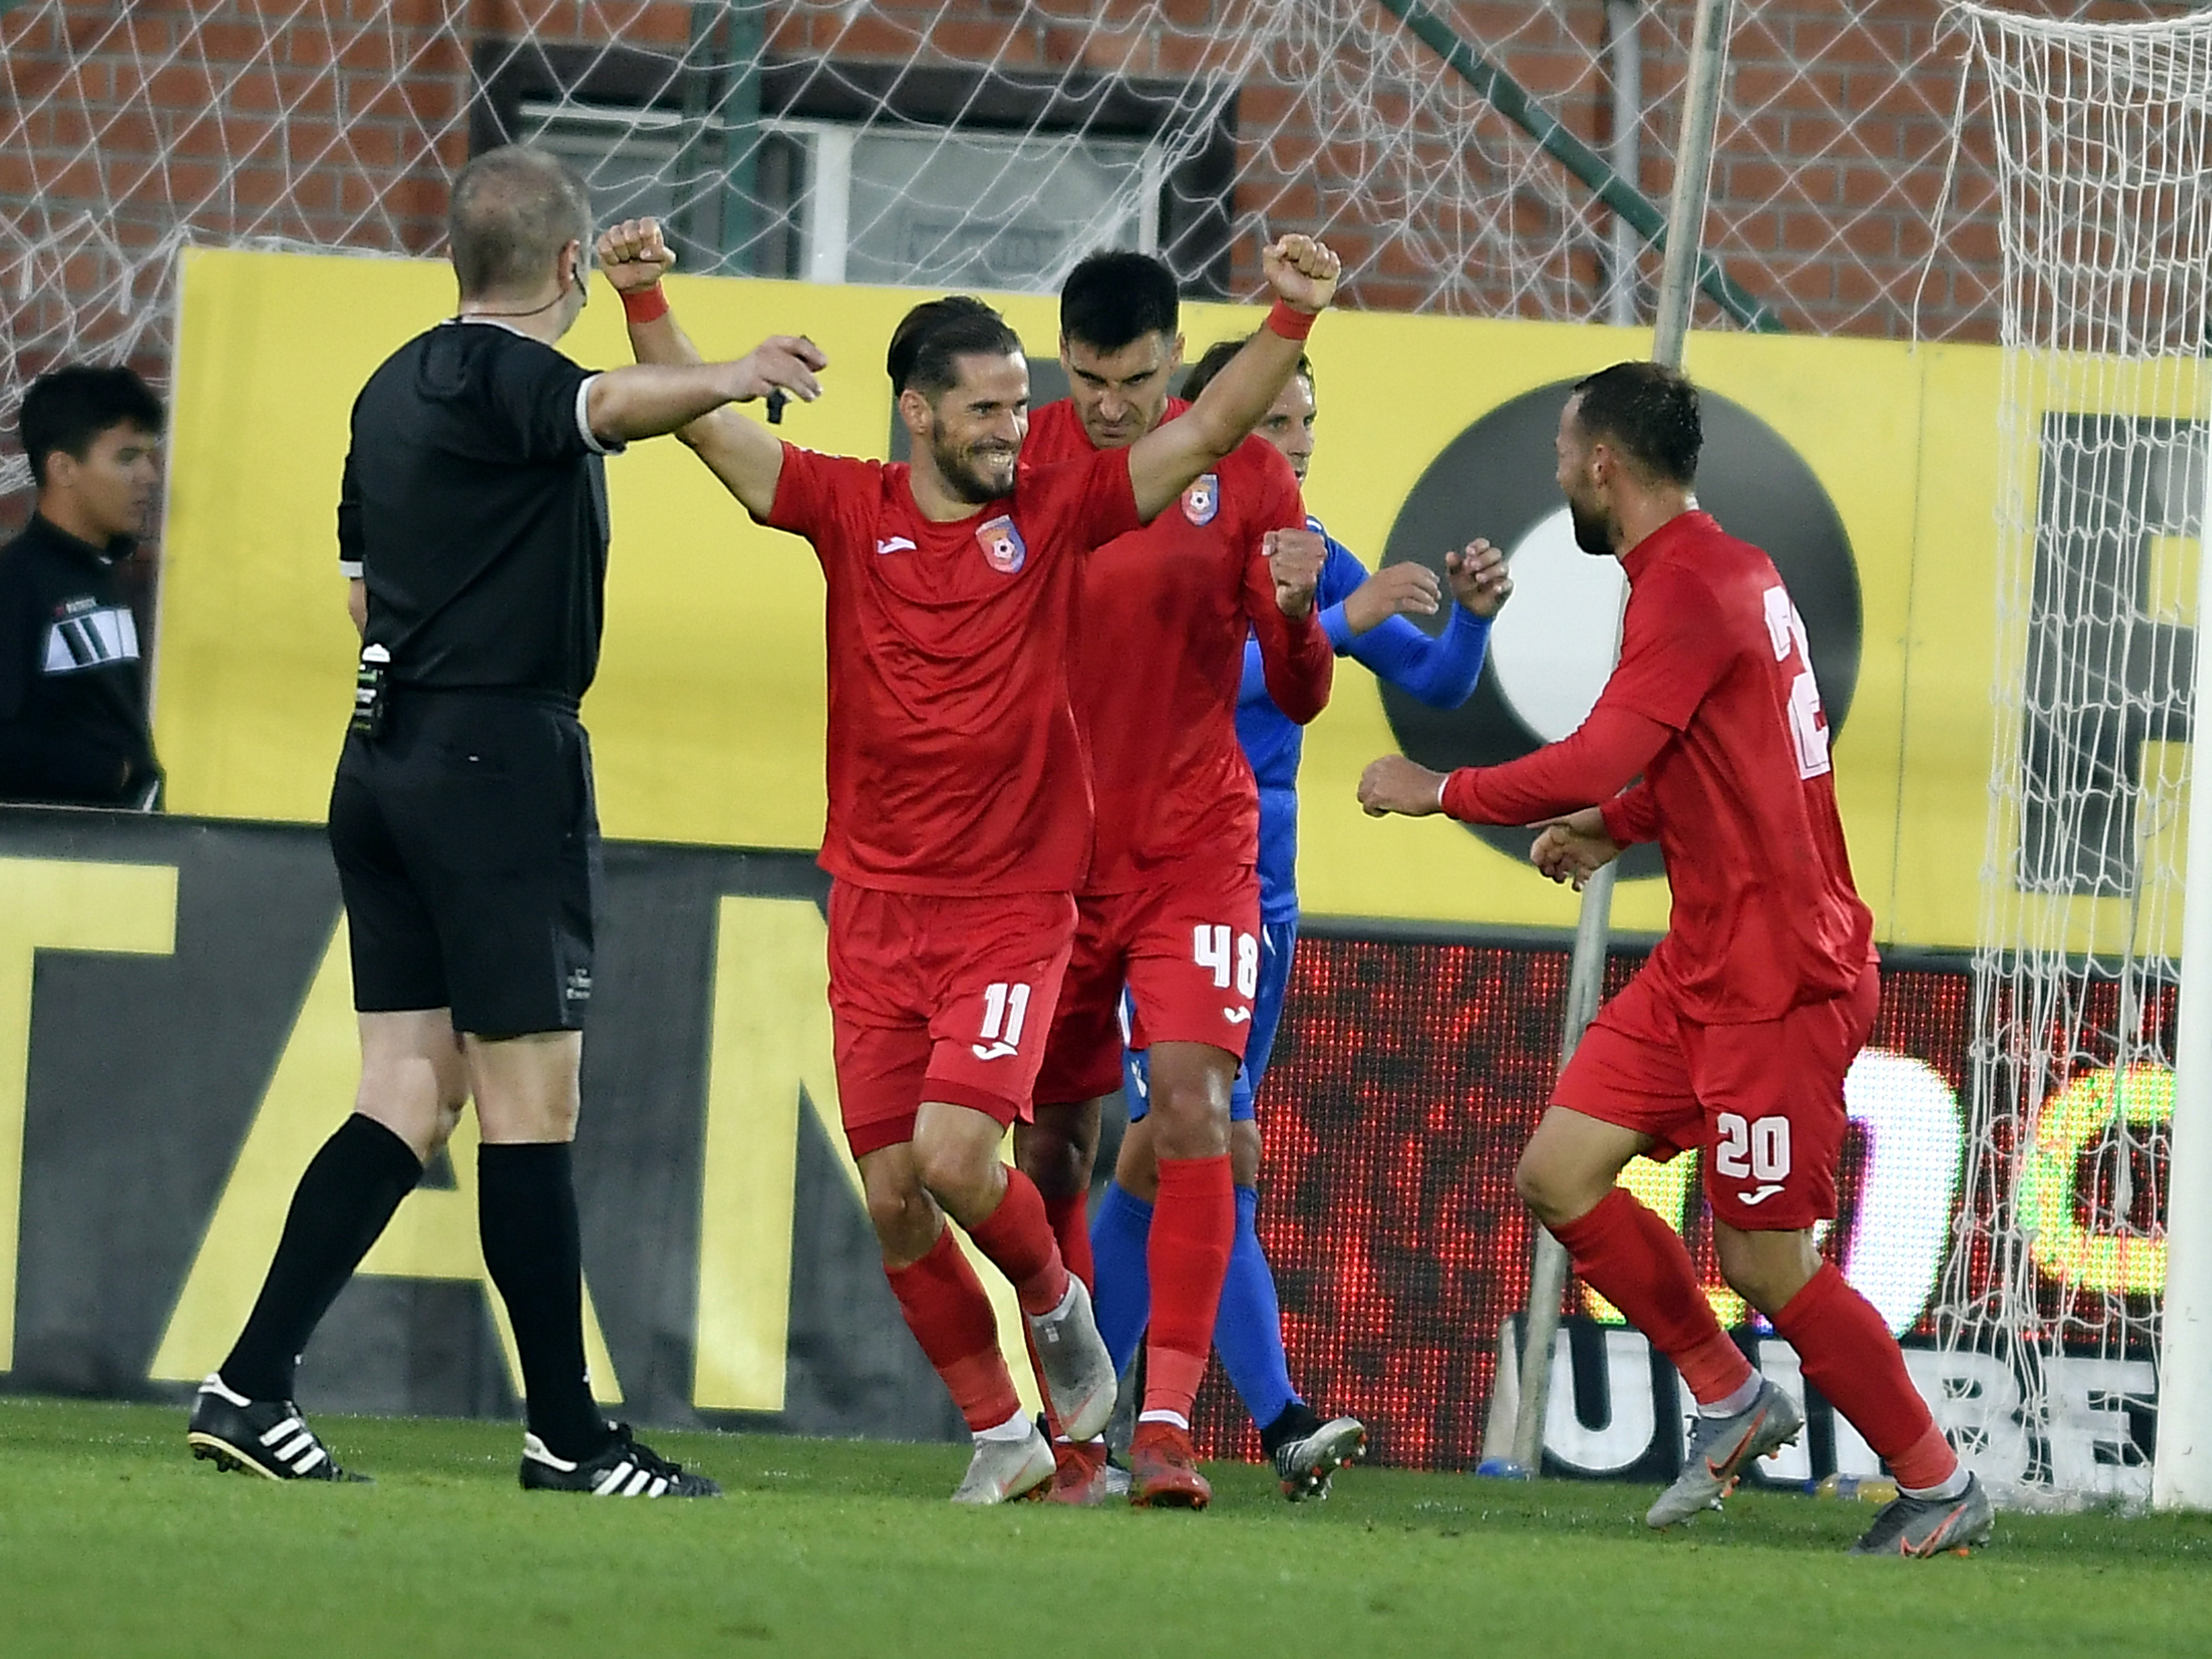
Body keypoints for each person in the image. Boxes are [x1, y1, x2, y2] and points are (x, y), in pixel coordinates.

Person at [592, 217, 1342, 1504]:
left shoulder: (1059, 511)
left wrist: (1286, 318)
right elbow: (711, 437)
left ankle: (1080, 1332)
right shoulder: (847, 506)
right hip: (875, 900)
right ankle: (1007, 1429)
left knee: (994, 1147)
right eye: (993, 409)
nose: (1022, 428)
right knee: (897, 1192)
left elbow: (1212, 432)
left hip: (1018, 896)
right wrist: (649, 298)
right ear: (920, 415)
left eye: (1019, 406)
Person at [186, 145, 826, 1497]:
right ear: (569, 266)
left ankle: (248, 1384)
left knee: (408, 1092)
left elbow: (363, 589)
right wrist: (729, 371)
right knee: (535, 1102)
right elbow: (604, 403)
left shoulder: (388, 385)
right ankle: (570, 1433)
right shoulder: (510, 376)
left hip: (384, 749)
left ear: (455, 262)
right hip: (495, 758)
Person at [1355, 361, 1992, 1558]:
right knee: (1555, 1172)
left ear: (1602, 467)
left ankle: (1935, 1479)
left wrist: (1435, 788)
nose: (1556, 475)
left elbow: (1595, 753)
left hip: (1774, 983)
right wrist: (1623, 825)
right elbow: (1729, 760)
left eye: (1561, 456)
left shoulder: (1687, 589)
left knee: (1761, 1258)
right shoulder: (1724, 570)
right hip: (1706, 958)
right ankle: (1728, 1396)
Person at [1090, 335, 1511, 1501]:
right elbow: (1186, 673)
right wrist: (1333, 620)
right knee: (1194, 1138)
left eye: (1307, 425)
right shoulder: (1154, 522)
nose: (1295, 447)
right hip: (1152, 862)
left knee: (1191, 1144)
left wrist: (1466, 620)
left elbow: (1429, 683)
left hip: (1255, 888)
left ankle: (1094, 1408)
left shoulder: (1304, 549)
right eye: (1273, 424)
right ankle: (1244, 1413)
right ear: (1210, 420)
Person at [1014, 253, 1334, 1510]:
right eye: (1087, 379)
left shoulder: (1243, 471)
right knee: (1050, 1143)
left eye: (1136, 379)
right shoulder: (1023, 457)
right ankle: (1068, 1428)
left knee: (1198, 1109)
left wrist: (1301, 617)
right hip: (1048, 861)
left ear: (1172, 355)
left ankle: (1163, 1428)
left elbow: (1300, 690)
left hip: (1195, 853)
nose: (1109, 405)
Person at [0, 365, 166, 809]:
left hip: (124, 856)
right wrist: (112, 771)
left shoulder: (104, 574)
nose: (149, 476)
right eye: (127, 458)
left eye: (150, 457)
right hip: (58, 864)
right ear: (63, 468)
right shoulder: (17, 584)